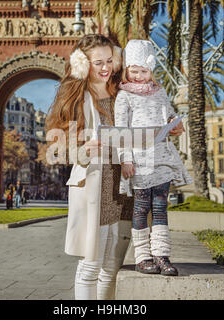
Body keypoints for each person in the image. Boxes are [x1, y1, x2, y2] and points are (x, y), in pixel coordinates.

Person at [46, 34, 135, 300]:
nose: (105, 68)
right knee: (90, 265)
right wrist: (82, 151)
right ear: (83, 64)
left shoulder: (123, 93)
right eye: (98, 62)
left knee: (112, 267)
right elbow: (55, 150)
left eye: (109, 60)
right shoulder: (75, 98)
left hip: (123, 186)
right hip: (94, 188)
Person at [114, 39, 192, 276]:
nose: (139, 76)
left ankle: (161, 255)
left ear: (151, 70)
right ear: (128, 70)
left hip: (161, 157)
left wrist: (175, 125)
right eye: (134, 71)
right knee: (140, 207)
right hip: (139, 160)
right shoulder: (123, 97)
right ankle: (142, 256)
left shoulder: (160, 93)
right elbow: (121, 131)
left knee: (160, 207)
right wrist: (125, 159)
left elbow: (170, 116)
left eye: (144, 71)